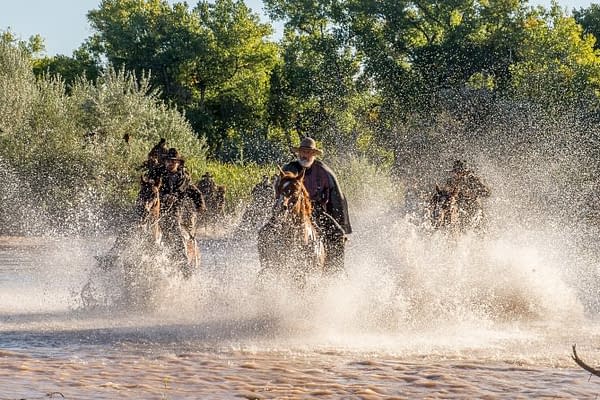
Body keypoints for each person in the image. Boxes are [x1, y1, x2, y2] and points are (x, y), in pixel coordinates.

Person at [282, 137, 352, 274]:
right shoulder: (289, 168)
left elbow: (337, 198)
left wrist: (342, 223)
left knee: (337, 234)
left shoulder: (324, 172)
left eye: (308, 152)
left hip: (316, 210)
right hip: (291, 210)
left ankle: (336, 270)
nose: (305, 155)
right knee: (267, 232)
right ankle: (269, 269)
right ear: (298, 153)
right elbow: (279, 190)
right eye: (302, 151)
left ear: (313, 154)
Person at [445, 160, 490, 230]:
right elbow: (446, 193)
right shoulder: (451, 181)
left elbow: (487, 193)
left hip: (474, 208)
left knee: (477, 228)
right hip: (458, 208)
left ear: (465, 172)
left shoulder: (473, 179)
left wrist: (474, 192)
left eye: (459, 172)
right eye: (455, 172)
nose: (456, 174)